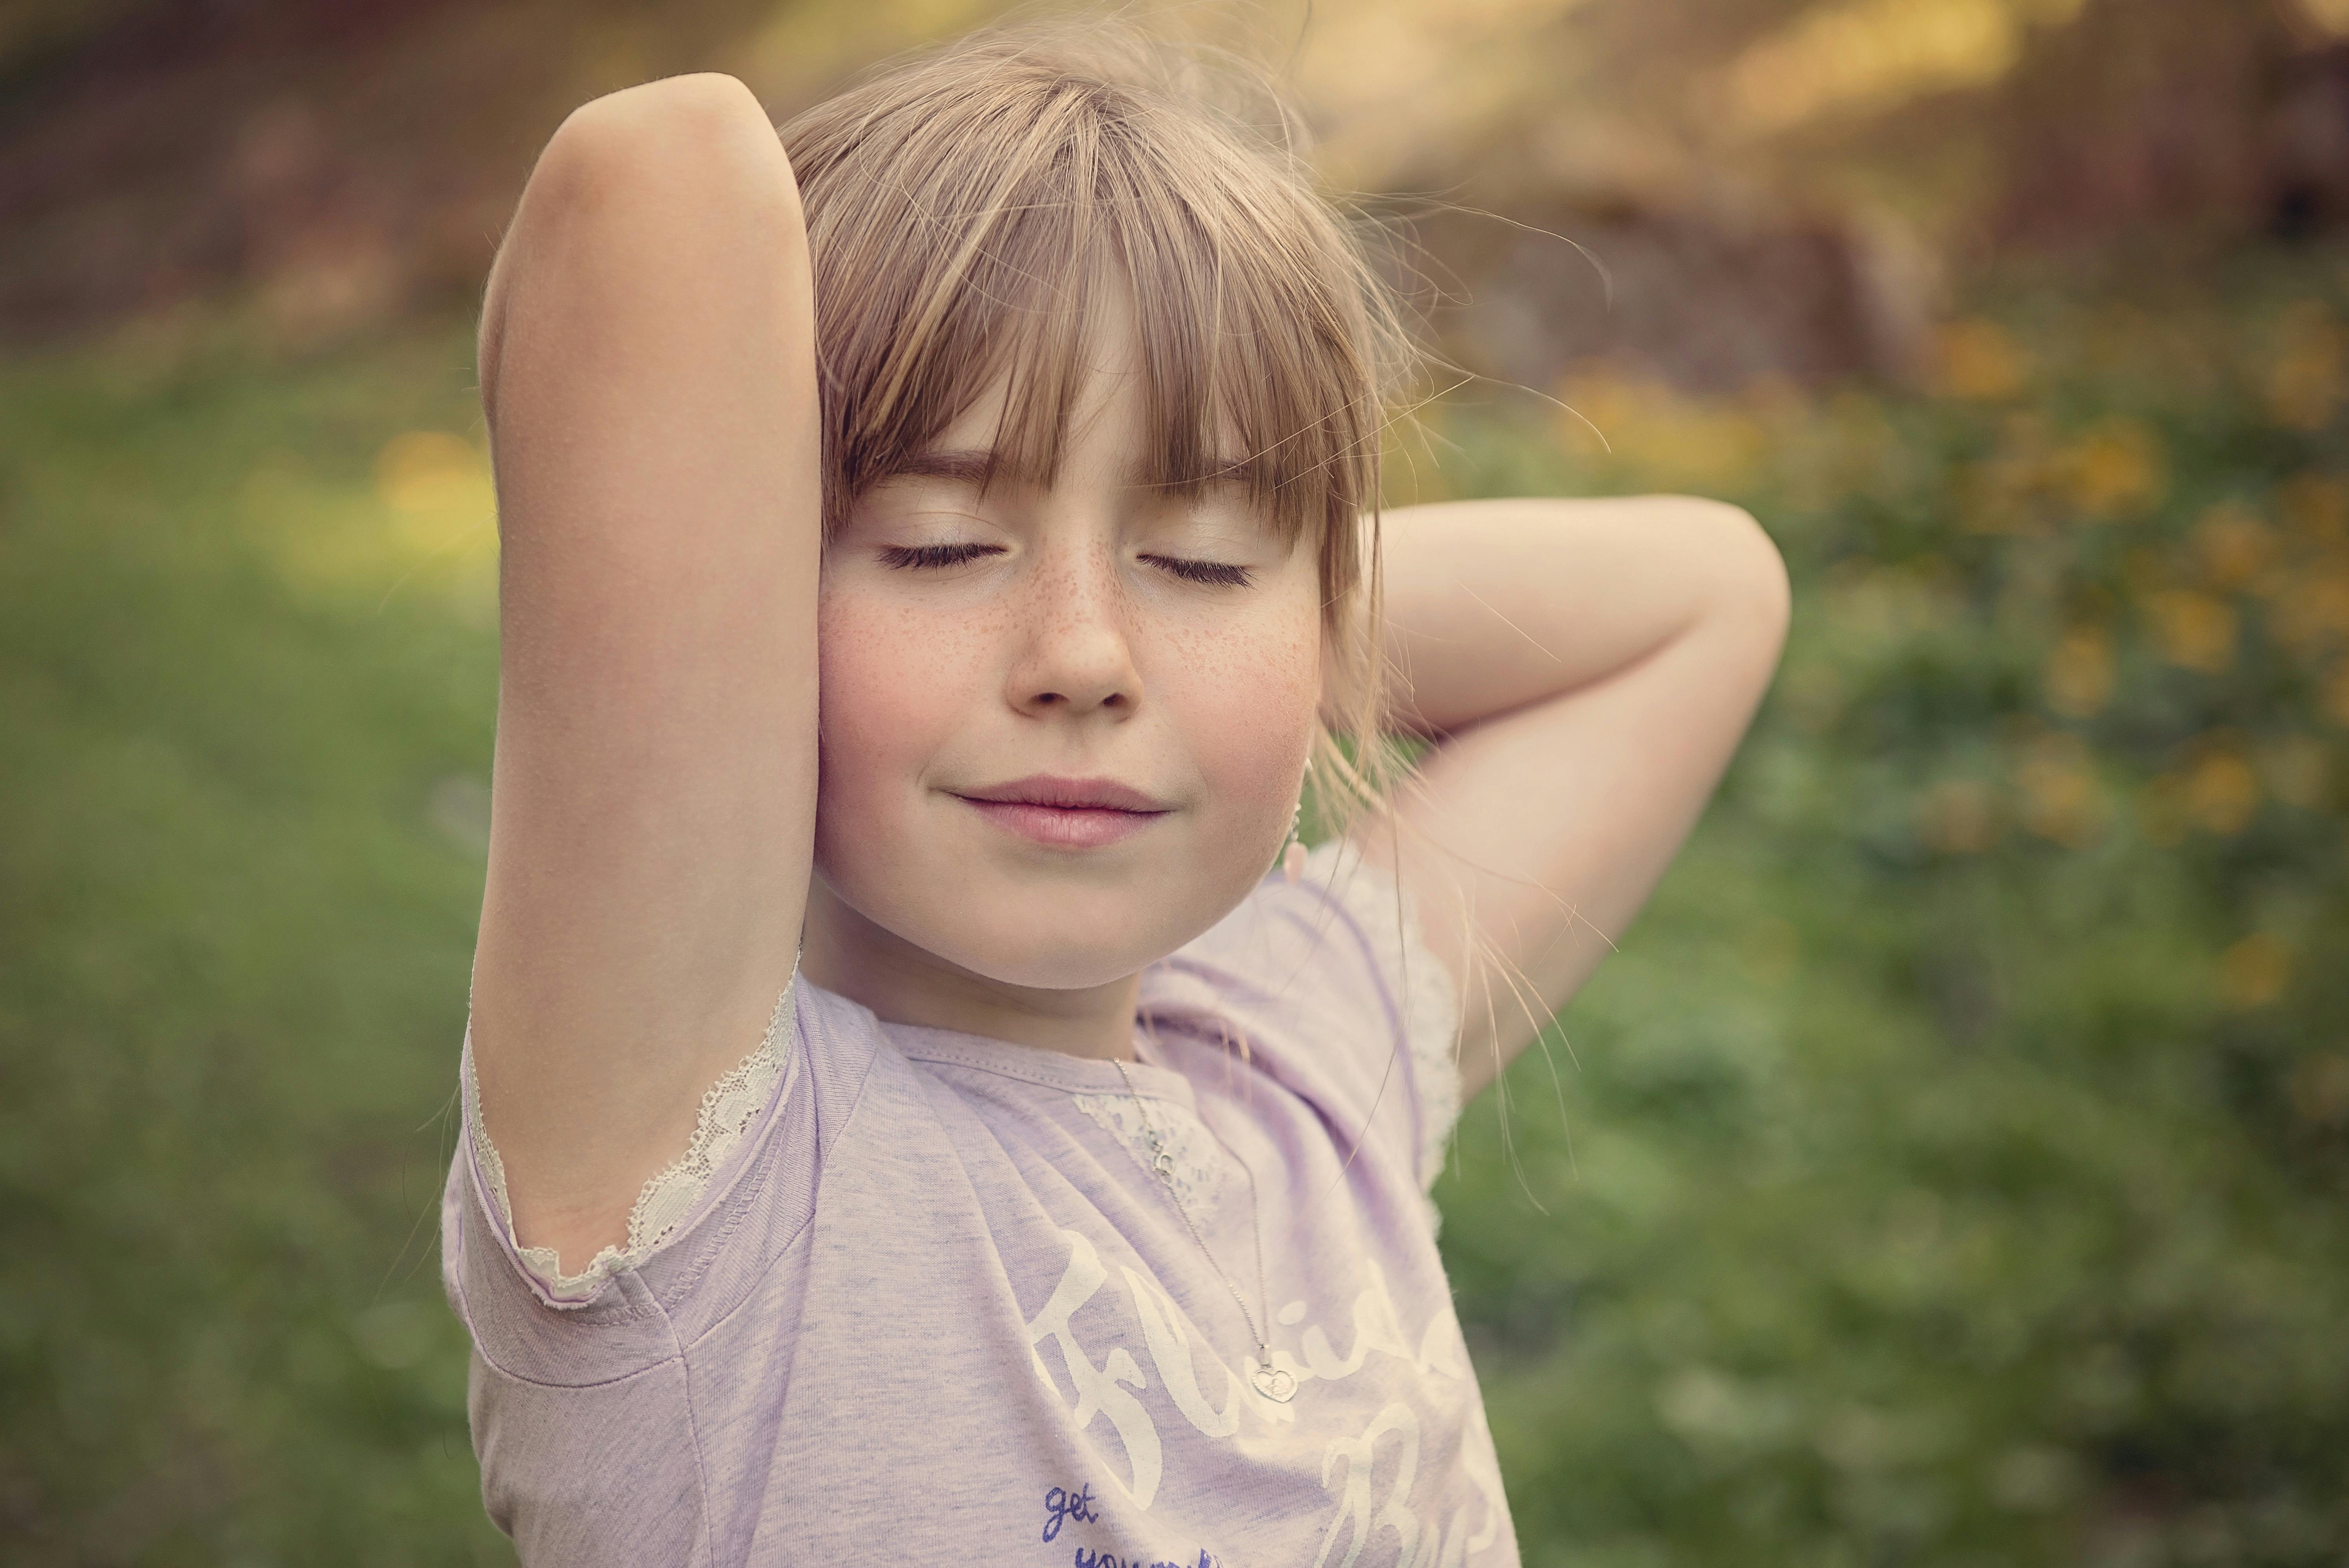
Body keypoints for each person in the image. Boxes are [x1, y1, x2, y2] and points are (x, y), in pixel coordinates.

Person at [439, 13, 1789, 1565]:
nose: (1084, 656)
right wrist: (1207, 606)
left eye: (1201, 555)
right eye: (939, 546)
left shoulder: (1301, 1062)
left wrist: (1270, 636)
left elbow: (1712, 592)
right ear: (746, 622)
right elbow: (657, 183)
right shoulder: (702, 1185)